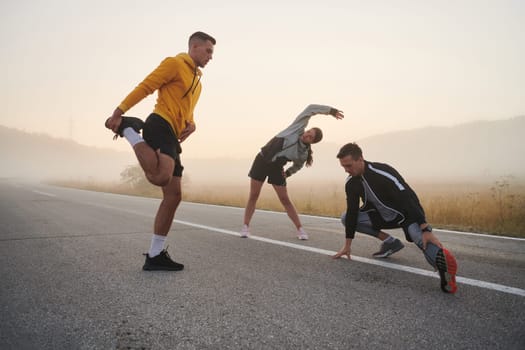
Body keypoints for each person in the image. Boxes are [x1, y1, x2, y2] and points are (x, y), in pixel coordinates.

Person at [104, 31, 216, 271]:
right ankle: (129, 130)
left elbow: (187, 108)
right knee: (161, 176)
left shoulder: (198, 82)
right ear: (194, 46)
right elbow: (146, 86)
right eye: (207, 51)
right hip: (159, 123)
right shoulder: (174, 63)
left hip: (172, 135)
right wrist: (119, 111)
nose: (210, 57)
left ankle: (155, 255)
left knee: (174, 196)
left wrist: (192, 123)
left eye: (212, 53)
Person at [332, 142, 458, 293]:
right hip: (379, 217)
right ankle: (390, 242)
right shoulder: (351, 183)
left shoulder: (383, 172)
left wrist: (425, 227)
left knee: (422, 239)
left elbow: (408, 196)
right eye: (344, 167)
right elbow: (353, 212)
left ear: (360, 159)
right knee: (346, 218)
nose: (347, 170)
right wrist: (347, 245)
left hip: (405, 216)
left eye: (349, 165)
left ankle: (445, 272)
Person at [240, 104, 344, 240]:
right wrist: (331, 111)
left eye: (311, 137)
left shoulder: (303, 153)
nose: (307, 135)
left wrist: (288, 173)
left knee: (285, 199)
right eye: (309, 132)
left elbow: (298, 166)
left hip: (277, 167)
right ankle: (245, 227)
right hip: (262, 159)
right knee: (253, 195)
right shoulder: (297, 128)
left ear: (312, 142)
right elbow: (311, 108)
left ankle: (300, 230)